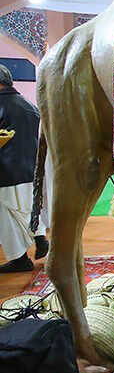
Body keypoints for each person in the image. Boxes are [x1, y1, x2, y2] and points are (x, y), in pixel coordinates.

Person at [0, 65, 49, 273]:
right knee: (26, 208)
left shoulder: (2, 105)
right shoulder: (29, 104)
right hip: (32, 169)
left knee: (8, 214)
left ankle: (21, 257)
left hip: (7, 170)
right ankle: (39, 237)